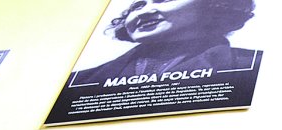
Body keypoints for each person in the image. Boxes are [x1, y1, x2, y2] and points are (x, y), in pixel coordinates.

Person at [74, 0, 258, 83]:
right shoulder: (80, 80)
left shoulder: (253, 66)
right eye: (137, 6)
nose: (144, 12)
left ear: (212, 4)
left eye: (164, 0)